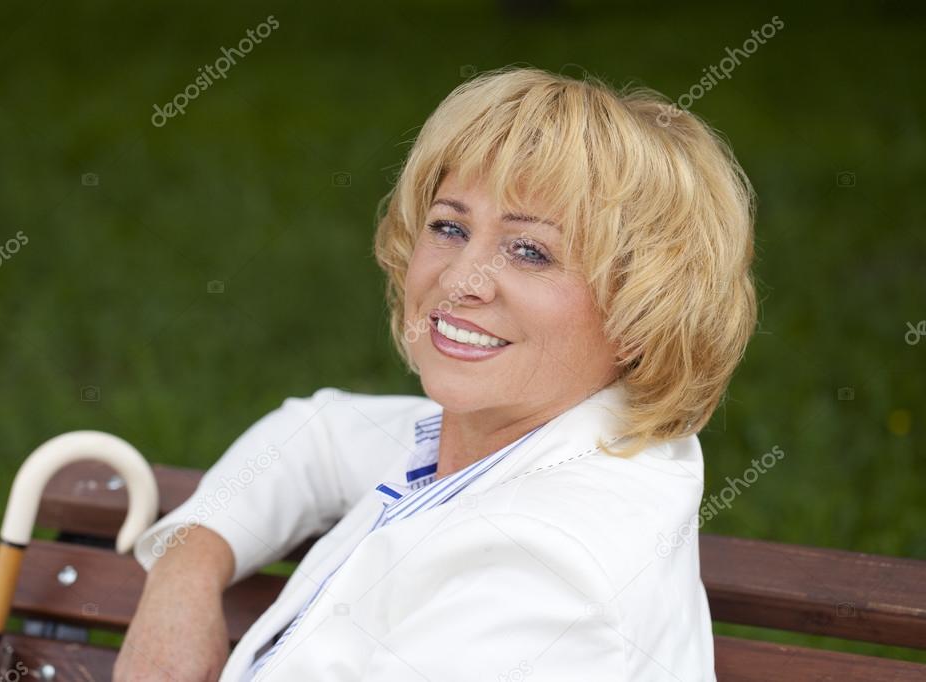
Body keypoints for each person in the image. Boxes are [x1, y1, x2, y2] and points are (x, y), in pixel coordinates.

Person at [113, 65, 757, 681]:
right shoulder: (511, 439)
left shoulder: (546, 574)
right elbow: (321, 433)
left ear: (645, 309)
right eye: (450, 226)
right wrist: (187, 569)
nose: (458, 279)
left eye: (530, 250)